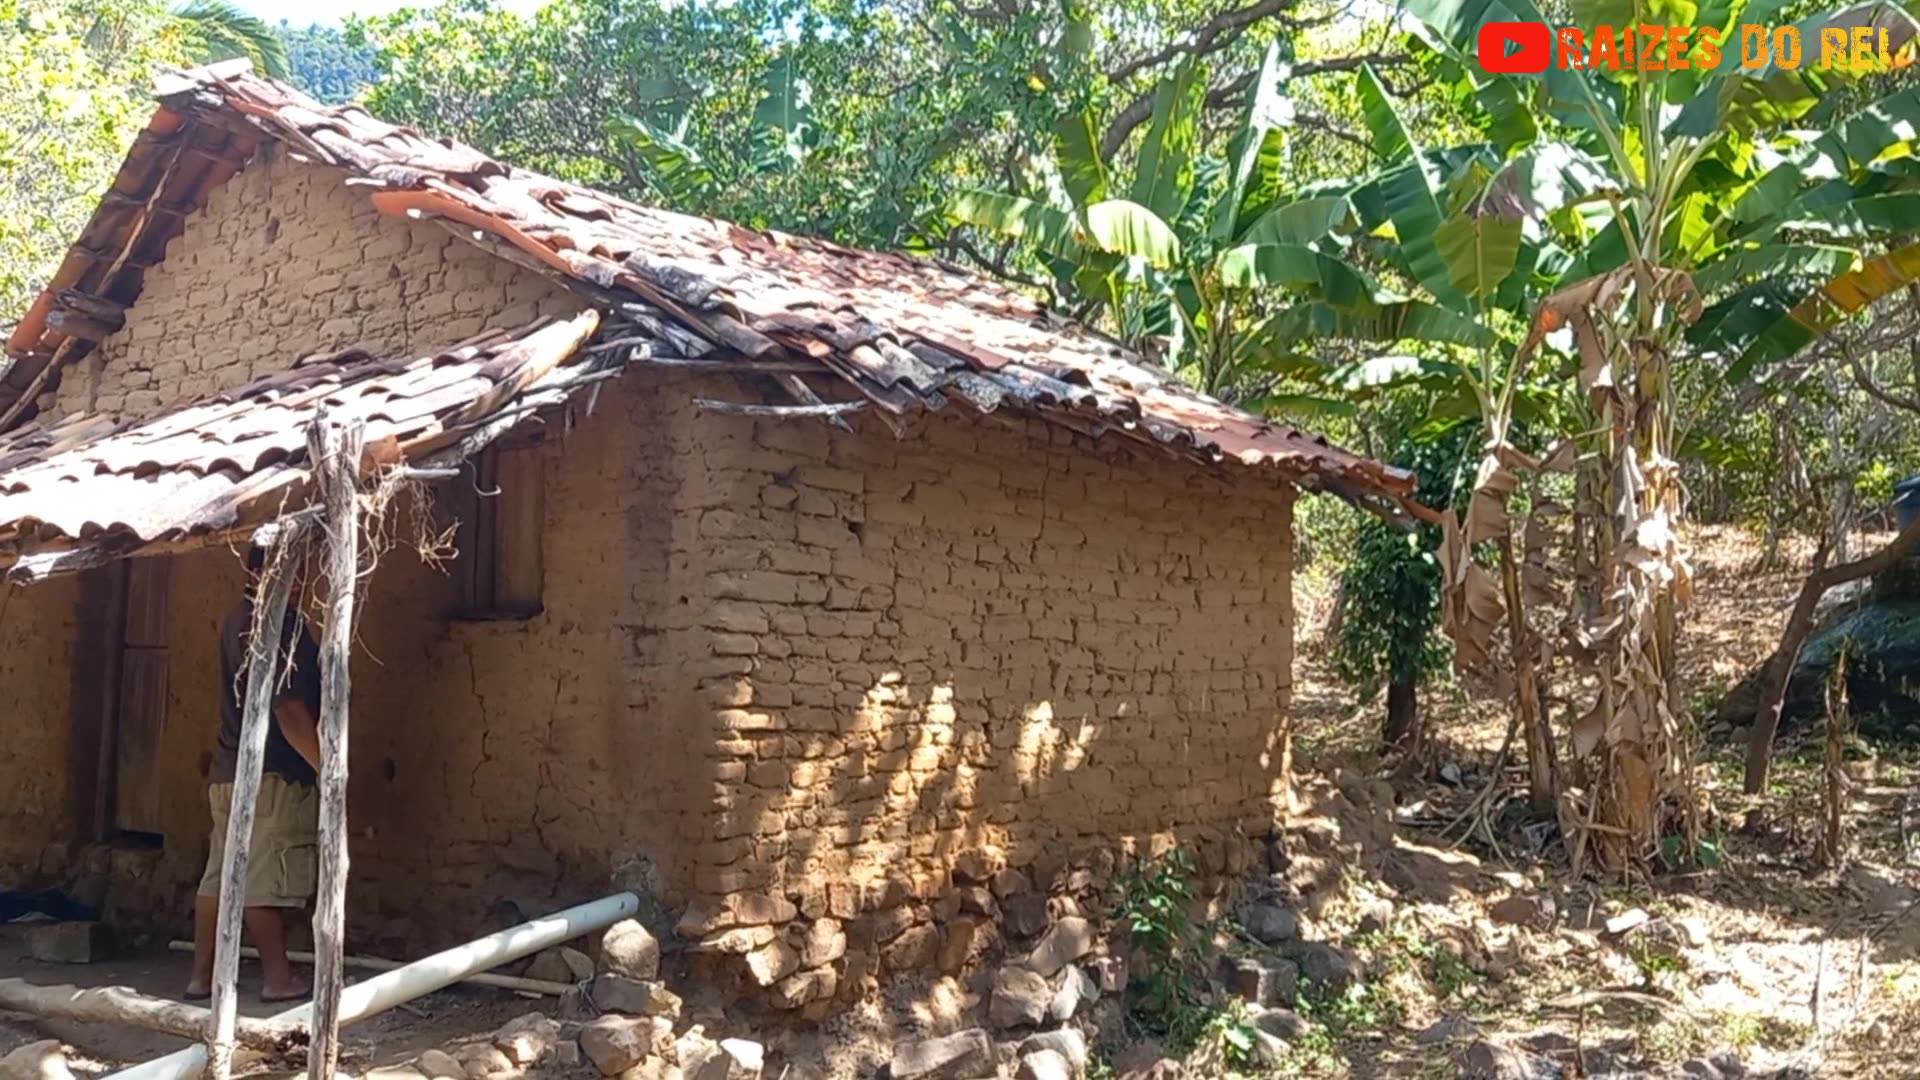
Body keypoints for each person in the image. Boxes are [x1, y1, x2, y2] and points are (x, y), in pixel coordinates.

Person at [186, 545, 323, 1002]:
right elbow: (290, 712)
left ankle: (201, 977)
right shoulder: (279, 624)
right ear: (259, 571)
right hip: (273, 774)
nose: (300, 579)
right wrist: (327, 769)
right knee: (263, 879)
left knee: (220, 877)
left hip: (229, 768)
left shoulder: (235, 619)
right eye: (291, 569)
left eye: (302, 569)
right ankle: (278, 978)